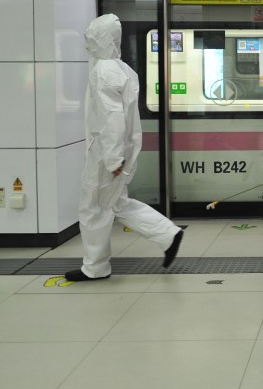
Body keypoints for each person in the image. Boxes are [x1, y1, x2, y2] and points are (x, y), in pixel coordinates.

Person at [65, 14, 183, 281]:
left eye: (90, 39)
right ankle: (168, 234)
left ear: (100, 39)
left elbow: (111, 118)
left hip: (106, 153)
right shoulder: (122, 69)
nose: (87, 45)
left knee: (93, 208)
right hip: (121, 149)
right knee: (116, 203)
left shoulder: (102, 72)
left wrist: (112, 159)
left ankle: (95, 267)